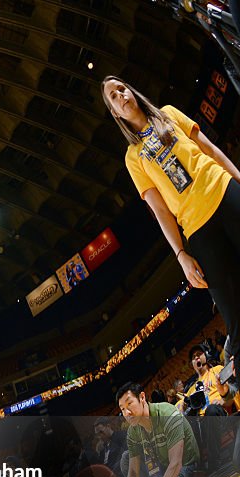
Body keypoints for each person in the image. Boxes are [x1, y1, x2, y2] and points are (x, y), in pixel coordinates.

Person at [102, 77, 240, 363]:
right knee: (232, 312)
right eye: (113, 96)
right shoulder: (133, 157)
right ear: (115, 112)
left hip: (222, 189)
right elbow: (161, 210)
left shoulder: (168, 113)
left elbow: (210, 150)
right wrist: (180, 254)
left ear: (132, 91)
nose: (120, 95)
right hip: (197, 226)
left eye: (121, 89)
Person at [117, 382, 201, 477]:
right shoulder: (132, 431)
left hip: (185, 465)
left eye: (129, 404)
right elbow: (133, 472)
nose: (127, 413)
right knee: (125, 458)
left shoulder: (167, 413)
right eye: (122, 409)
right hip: (162, 469)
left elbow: (176, 463)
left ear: (142, 397)